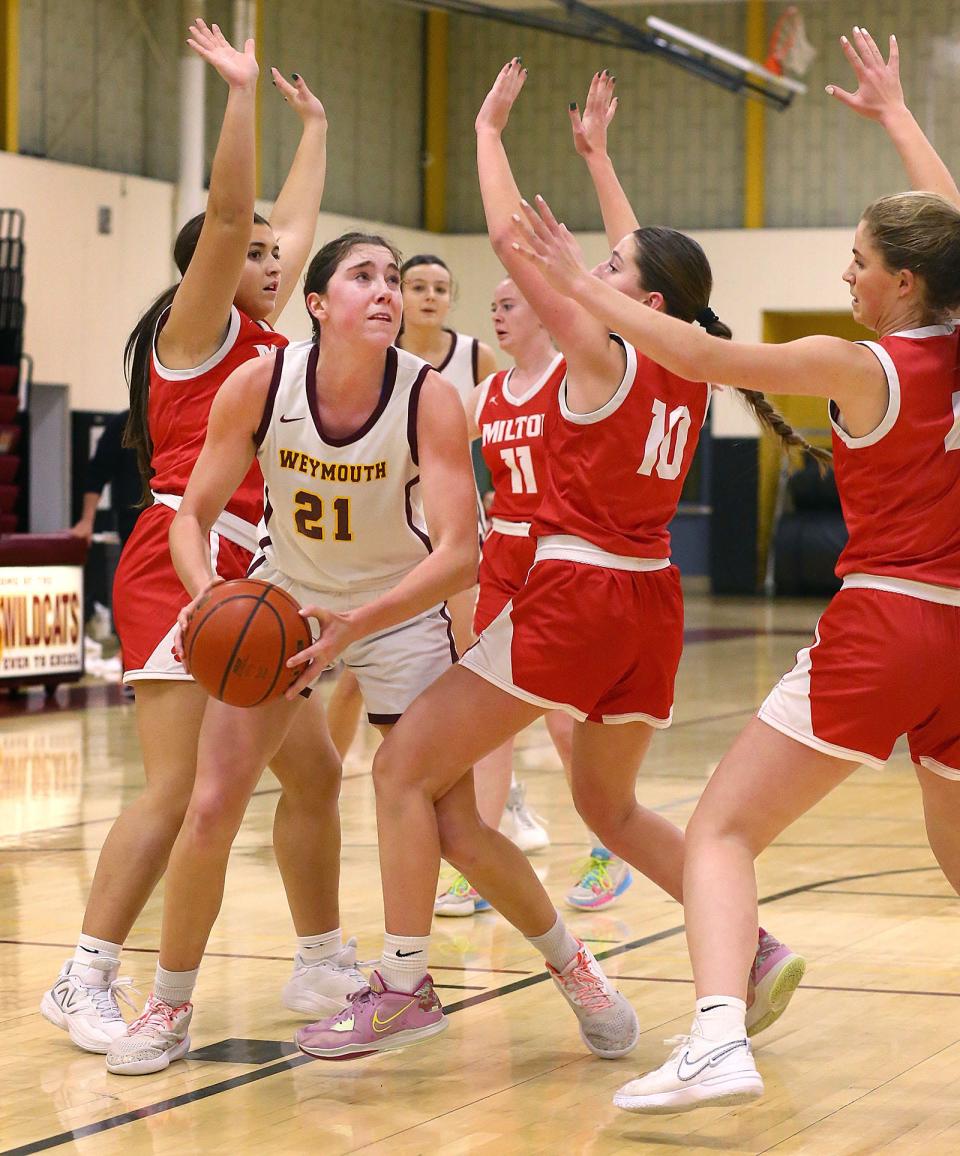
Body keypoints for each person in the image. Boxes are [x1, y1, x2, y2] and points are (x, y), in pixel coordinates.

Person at [293, 61, 812, 1063]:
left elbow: (513, 240)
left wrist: (488, 133)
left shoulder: (603, 353)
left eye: (615, 271)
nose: (597, 272)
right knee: (604, 805)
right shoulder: (687, 360)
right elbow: (651, 259)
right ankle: (746, 943)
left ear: (642, 295)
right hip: (650, 600)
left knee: (401, 768)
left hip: (575, 592)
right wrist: (599, 159)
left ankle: (403, 984)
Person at [515, 29, 960, 1114]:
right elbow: (953, 223)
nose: (845, 272)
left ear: (904, 282)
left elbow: (703, 357)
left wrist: (578, 281)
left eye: (859, 259)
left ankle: (717, 1034)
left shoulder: (857, 365)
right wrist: (901, 116)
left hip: (890, 619)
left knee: (719, 829)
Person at [39, 20, 350, 1057]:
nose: (271, 257)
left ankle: (319, 960)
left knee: (311, 775)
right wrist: (240, 95)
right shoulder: (196, 327)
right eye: (252, 253)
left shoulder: (268, 332)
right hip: (186, 556)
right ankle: (85, 973)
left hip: (265, 568)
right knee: (176, 791)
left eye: (277, 254)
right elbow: (232, 213)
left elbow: (286, 221)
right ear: (209, 272)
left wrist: (317, 125)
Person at [104, 231, 480, 1075]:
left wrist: (364, 622)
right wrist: (206, 592)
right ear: (317, 305)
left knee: (454, 817)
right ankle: (167, 1004)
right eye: (364, 277)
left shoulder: (428, 395)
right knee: (209, 804)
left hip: (396, 606)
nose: (386, 290)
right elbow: (191, 517)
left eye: (395, 277)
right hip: (289, 600)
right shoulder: (261, 381)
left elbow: (461, 550)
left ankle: (566, 970)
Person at [434, 276, 629, 916]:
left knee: (563, 721)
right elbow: (429, 455)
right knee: (488, 723)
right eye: (490, 305)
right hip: (502, 557)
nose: (496, 314)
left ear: (546, 313)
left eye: (509, 304)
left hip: (558, 555)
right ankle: (482, 862)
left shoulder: (572, 381)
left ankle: (610, 850)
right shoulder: (486, 393)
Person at [70, 410, 141, 549]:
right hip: (133, 516)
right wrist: (87, 520)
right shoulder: (124, 423)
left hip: (171, 512)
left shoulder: (178, 420)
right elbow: (97, 473)